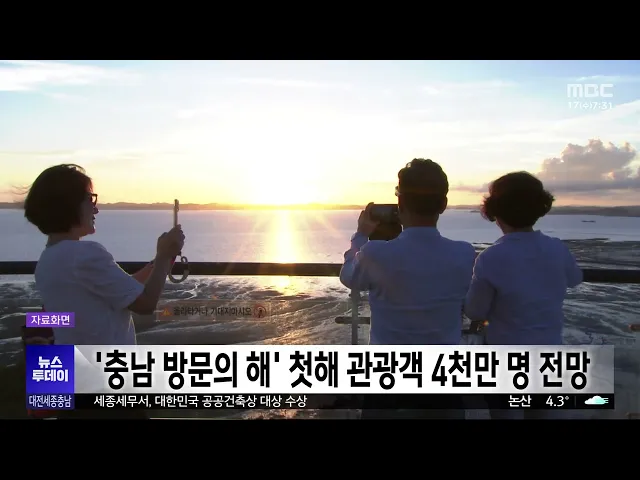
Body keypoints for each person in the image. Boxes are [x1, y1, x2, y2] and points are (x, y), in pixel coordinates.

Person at [23, 164, 185, 419]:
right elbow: (145, 304)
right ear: (69, 204)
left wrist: (159, 262)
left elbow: (119, 288)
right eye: (90, 200)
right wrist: (164, 257)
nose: (96, 208)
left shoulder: (48, 259)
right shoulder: (85, 254)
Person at [339, 158, 477, 419]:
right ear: (443, 204)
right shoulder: (463, 254)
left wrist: (361, 235)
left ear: (400, 203)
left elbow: (349, 277)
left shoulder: (375, 253)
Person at [464, 171, 583, 420]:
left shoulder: (491, 257)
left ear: (495, 211)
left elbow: (475, 311)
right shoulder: (557, 248)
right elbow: (575, 279)